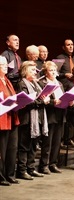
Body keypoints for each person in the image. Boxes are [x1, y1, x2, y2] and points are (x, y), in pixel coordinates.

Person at [16, 61, 50, 180]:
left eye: (35, 70)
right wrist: (42, 101)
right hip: (27, 118)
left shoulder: (36, 83)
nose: (35, 73)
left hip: (38, 117)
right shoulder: (22, 84)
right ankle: (22, 170)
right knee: (24, 146)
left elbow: (40, 97)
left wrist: (46, 98)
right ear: (25, 72)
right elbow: (27, 101)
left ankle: (31, 168)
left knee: (33, 145)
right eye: (32, 70)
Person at [37, 61, 66, 174]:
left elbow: (63, 96)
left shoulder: (59, 83)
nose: (53, 72)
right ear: (45, 72)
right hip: (49, 115)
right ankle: (44, 165)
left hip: (60, 114)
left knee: (57, 141)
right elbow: (42, 99)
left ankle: (53, 163)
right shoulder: (42, 83)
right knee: (47, 142)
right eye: (51, 70)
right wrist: (54, 101)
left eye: (54, 70)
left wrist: (68, 101)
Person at [0, 56, 20, 186]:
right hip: (2, 118)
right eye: (2, 64)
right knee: (1, 149)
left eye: (6, 64)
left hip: (12, 117)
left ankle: (10, 174)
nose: (6, 66)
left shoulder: (7, 80)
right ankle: (1, 176)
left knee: (12, 148)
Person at [56, 39, 74, 147]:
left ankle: (68, 138)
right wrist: (64, 74)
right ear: (63, 47)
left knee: (72, 115)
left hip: (73, 88)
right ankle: (60, 139)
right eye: (68, 45)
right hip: (63, 88)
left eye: (72, 44)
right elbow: (54, 73)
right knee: (63, 115)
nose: (70, 46)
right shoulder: (60, 58)